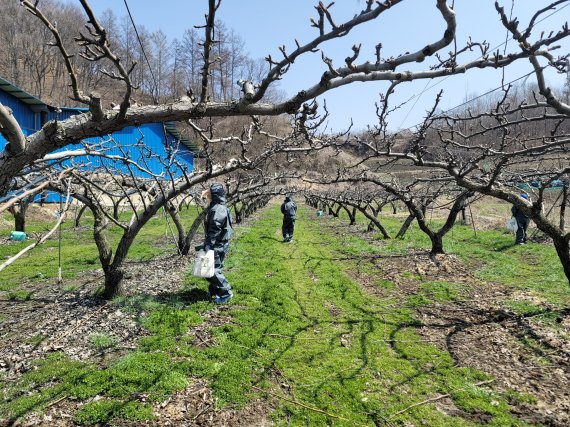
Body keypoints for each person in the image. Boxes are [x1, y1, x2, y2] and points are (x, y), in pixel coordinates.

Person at [201, 183, 234, 303]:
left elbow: (215, 227)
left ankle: (226, 293)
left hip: (217, 244)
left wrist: (209, 244)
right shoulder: (219, 206)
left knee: (212, 269)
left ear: (214, 195)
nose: (207, 196)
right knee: (214, 268)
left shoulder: (217, 209)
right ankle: (215, 289)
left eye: (209, 194)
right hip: (220, 242)